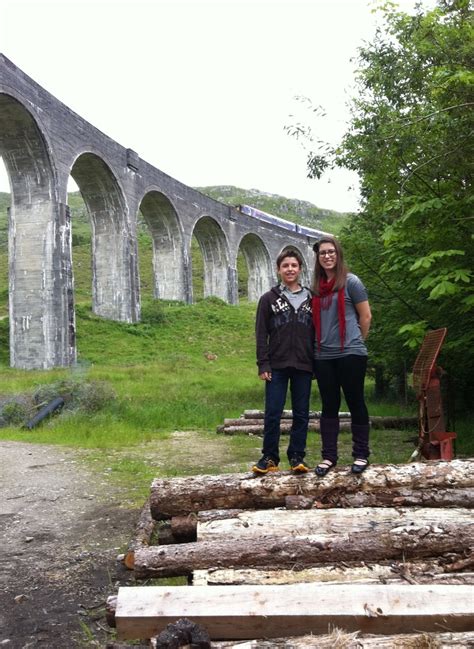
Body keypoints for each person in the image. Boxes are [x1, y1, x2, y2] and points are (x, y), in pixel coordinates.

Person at [311, 236, 372, 476]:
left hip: (351, 353)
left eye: (331, 252)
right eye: (322, 253)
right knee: (329, 405)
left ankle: (361, 454)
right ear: (318, 258)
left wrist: (356, 342)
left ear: (338, 254)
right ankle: (329, 457)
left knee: (356, 401)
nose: (327, 256)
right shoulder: (316, 287)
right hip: (323, 355)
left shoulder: (352, 282)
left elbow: (365, 317)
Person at [252, 248, 314, 474]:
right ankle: (269, 457)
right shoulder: (268, 298)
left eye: (294, 265)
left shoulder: (312, 298)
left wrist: (315, 363)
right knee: (273, 412)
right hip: (276, 365)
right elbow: (261, 333)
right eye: (285, 266)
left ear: (300, 269)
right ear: (278, 270)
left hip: (304, 365)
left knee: (302, 413)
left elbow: (317, 332)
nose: (290, 269)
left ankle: (297, 456)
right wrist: (263, 363)